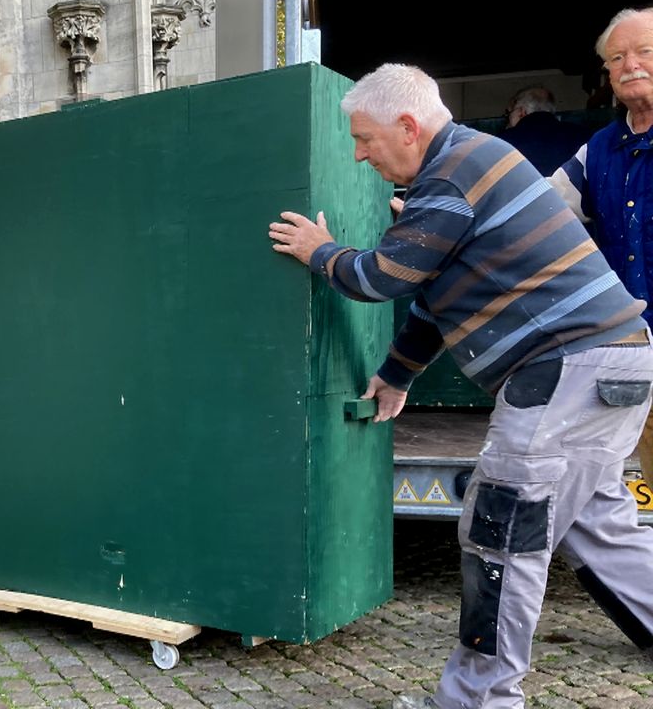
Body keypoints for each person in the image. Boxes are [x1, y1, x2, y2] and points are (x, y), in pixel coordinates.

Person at [268, 63, 653, 709]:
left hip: (565, 369)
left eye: (364, 139)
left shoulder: (449, 174)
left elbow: (382, 277)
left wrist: (319, 250)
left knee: (502, 534)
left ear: (407, 127)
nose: (359, 155)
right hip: (614, 363)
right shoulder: (467, 169)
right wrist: (397, 375)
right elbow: (433, 300)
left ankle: (479, 701)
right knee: (597, 524)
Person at [551, 7, 653, 480]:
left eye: (645, 51)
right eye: (617, 58)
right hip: (635, 350)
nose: (630, 65)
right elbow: (541, 211)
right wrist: (455, 214)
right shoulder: (598, 149)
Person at [497, 85, 592, 175]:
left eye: (508, 113)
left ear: (521, 112)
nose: (507, 119)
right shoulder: (583, 136)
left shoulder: (502, 143)